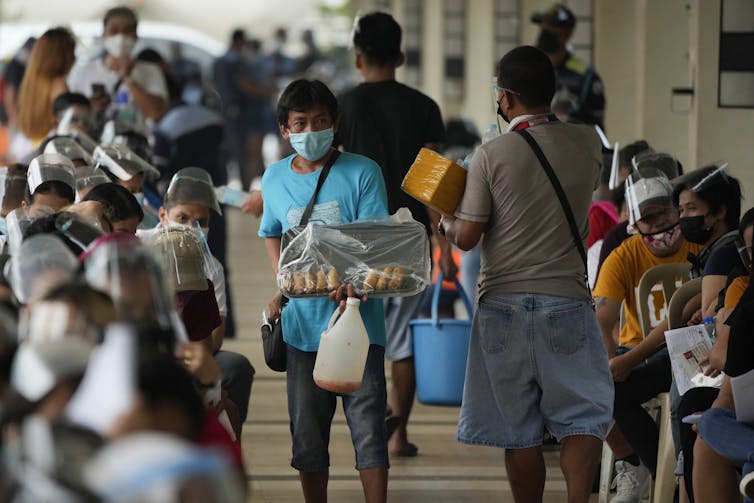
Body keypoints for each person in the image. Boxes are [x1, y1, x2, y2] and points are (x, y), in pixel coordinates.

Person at [440, 45, 613, 503]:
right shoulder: (588, 142)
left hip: (503, 306)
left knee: (518, 429)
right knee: (583, 416)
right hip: (568, 301)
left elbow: (468, 238)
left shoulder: (490, 154)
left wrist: (445, 220)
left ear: (507, 98)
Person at [260, 79, 390, 503]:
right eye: (301, 123)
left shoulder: (363, 171)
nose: (311, 130)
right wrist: (282, 280)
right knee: (308, 436)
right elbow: (271, 232)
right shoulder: (274, 178)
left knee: (368, 429)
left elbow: (374, 239)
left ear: (335, 125)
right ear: (285, 129)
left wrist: (353, 279)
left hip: (359, 324)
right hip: (301, 327)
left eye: (320, 121)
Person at [337, 11, 452, 457]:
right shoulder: (424, 107)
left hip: (355, 234)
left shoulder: (342, 106)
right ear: (402, 55)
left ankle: (367, 431)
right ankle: (398, 433)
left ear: (358, 57)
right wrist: (439, 235)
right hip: (408, 236)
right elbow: (430, 181)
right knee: (403, 340)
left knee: (359, 328)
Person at [593, 168, 703, 501]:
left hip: (691, 352)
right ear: (634, 224)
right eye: (648, 216)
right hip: (639, 352)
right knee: (602, 390)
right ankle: (650, 469)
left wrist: (627, 360)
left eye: (664, 212)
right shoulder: (622, 256)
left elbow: (678, 319)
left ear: (678, 210)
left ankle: (669, 480)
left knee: (681, 394)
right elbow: (603, 317)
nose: (658, 223)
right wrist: (611, 361)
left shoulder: (699, 244)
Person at [67, 6, 169, 136]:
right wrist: (92, 108)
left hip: (136, 148)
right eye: (114, 30)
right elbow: (69, 116)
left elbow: (156, 114)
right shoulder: (82, 72)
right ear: (104, 34)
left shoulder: (151, 71)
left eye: (127, 31)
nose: (120, 36)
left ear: (135, 36)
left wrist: (128, 78)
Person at [531, 3, 606, 128]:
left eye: (551, 26)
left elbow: (597, 125)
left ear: (567, 34)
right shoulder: (528, 69)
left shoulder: (584, 77)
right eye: (543, 26)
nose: (545, 30)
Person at [16, 27, 77, 149]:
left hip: (29, 144)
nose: (74, 57)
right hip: (50, 147)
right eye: (71, 51)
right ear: (61, 55)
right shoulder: (58, 84)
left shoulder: (32, 81)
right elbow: (66, 126)